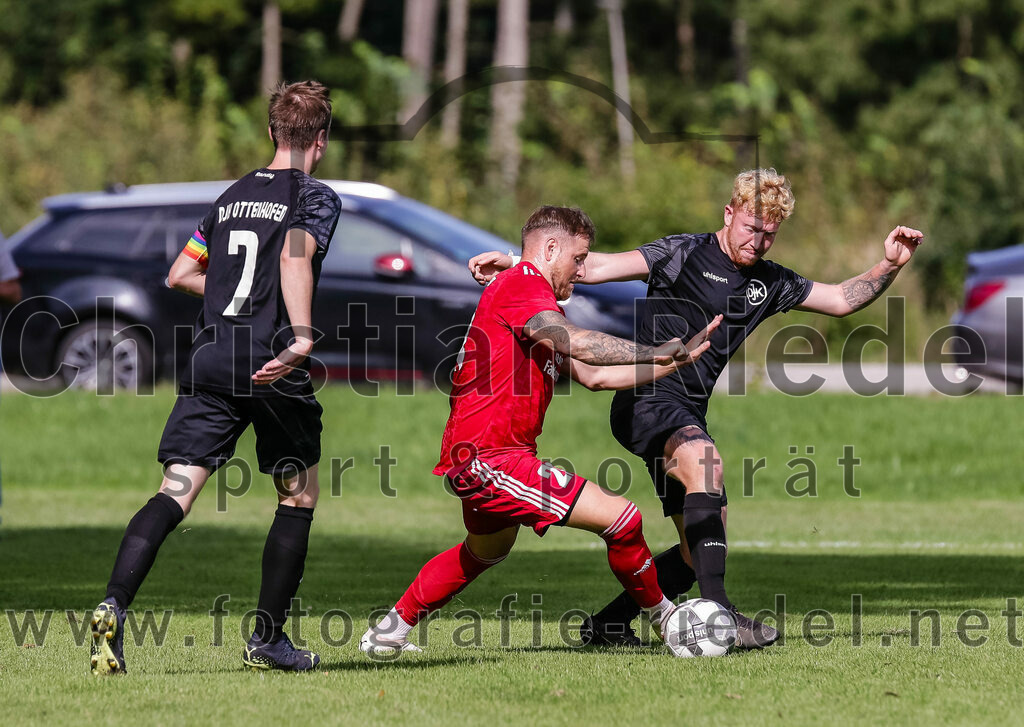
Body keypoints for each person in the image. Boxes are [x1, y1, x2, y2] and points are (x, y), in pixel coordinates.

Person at [467, 169, 923, 650]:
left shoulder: (770, 281)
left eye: (769, 234)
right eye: (751, 228)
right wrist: (519, 261)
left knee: (697, 550)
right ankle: (721, 617)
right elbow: (593, 266)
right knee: (706, 463)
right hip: (646, 399)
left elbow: (839, 299)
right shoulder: (681, 252)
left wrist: (889, 265)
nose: (758, 242)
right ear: (729, 214)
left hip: (688, 412)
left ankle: (608, 625)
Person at [360, 206, 722, 657]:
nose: (581, 270)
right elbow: (577, 342)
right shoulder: (523, 286)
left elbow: (594, 376)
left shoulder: (529, 299)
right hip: (491, 458)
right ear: (551, 249)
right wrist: (656, 349)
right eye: (578, 258)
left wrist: (669, 362)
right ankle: (669, 621)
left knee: (484, 551)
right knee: (622, 518)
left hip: (484, 455)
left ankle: (389, 632)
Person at [89, 80, 342, 675]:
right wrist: (301, 337)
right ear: (321, 140)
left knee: (175, 490)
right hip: (269, 362)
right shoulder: (315, 196)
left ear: (272, 131)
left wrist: (232, 295)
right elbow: (294, 256)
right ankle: (268, 640)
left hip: (211, 358)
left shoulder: (230, 198)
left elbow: (179, 273)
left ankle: (114, 604)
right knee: (298, 493)